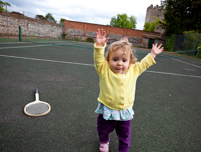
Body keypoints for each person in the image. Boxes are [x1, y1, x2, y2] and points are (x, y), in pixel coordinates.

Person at [94, 29, 163, 152]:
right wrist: (99, 46)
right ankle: (104, 141)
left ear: (130, 62)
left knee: (125, 135)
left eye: (124, 60)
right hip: (108, 108)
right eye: (115, 59)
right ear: (108, 60)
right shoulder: (104, 70)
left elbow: (144, 64)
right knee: (102, 129)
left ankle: (124, 149)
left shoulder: (133, 70)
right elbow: (98, 59)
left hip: (125, 112)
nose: (119, 63)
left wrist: (153, 54)